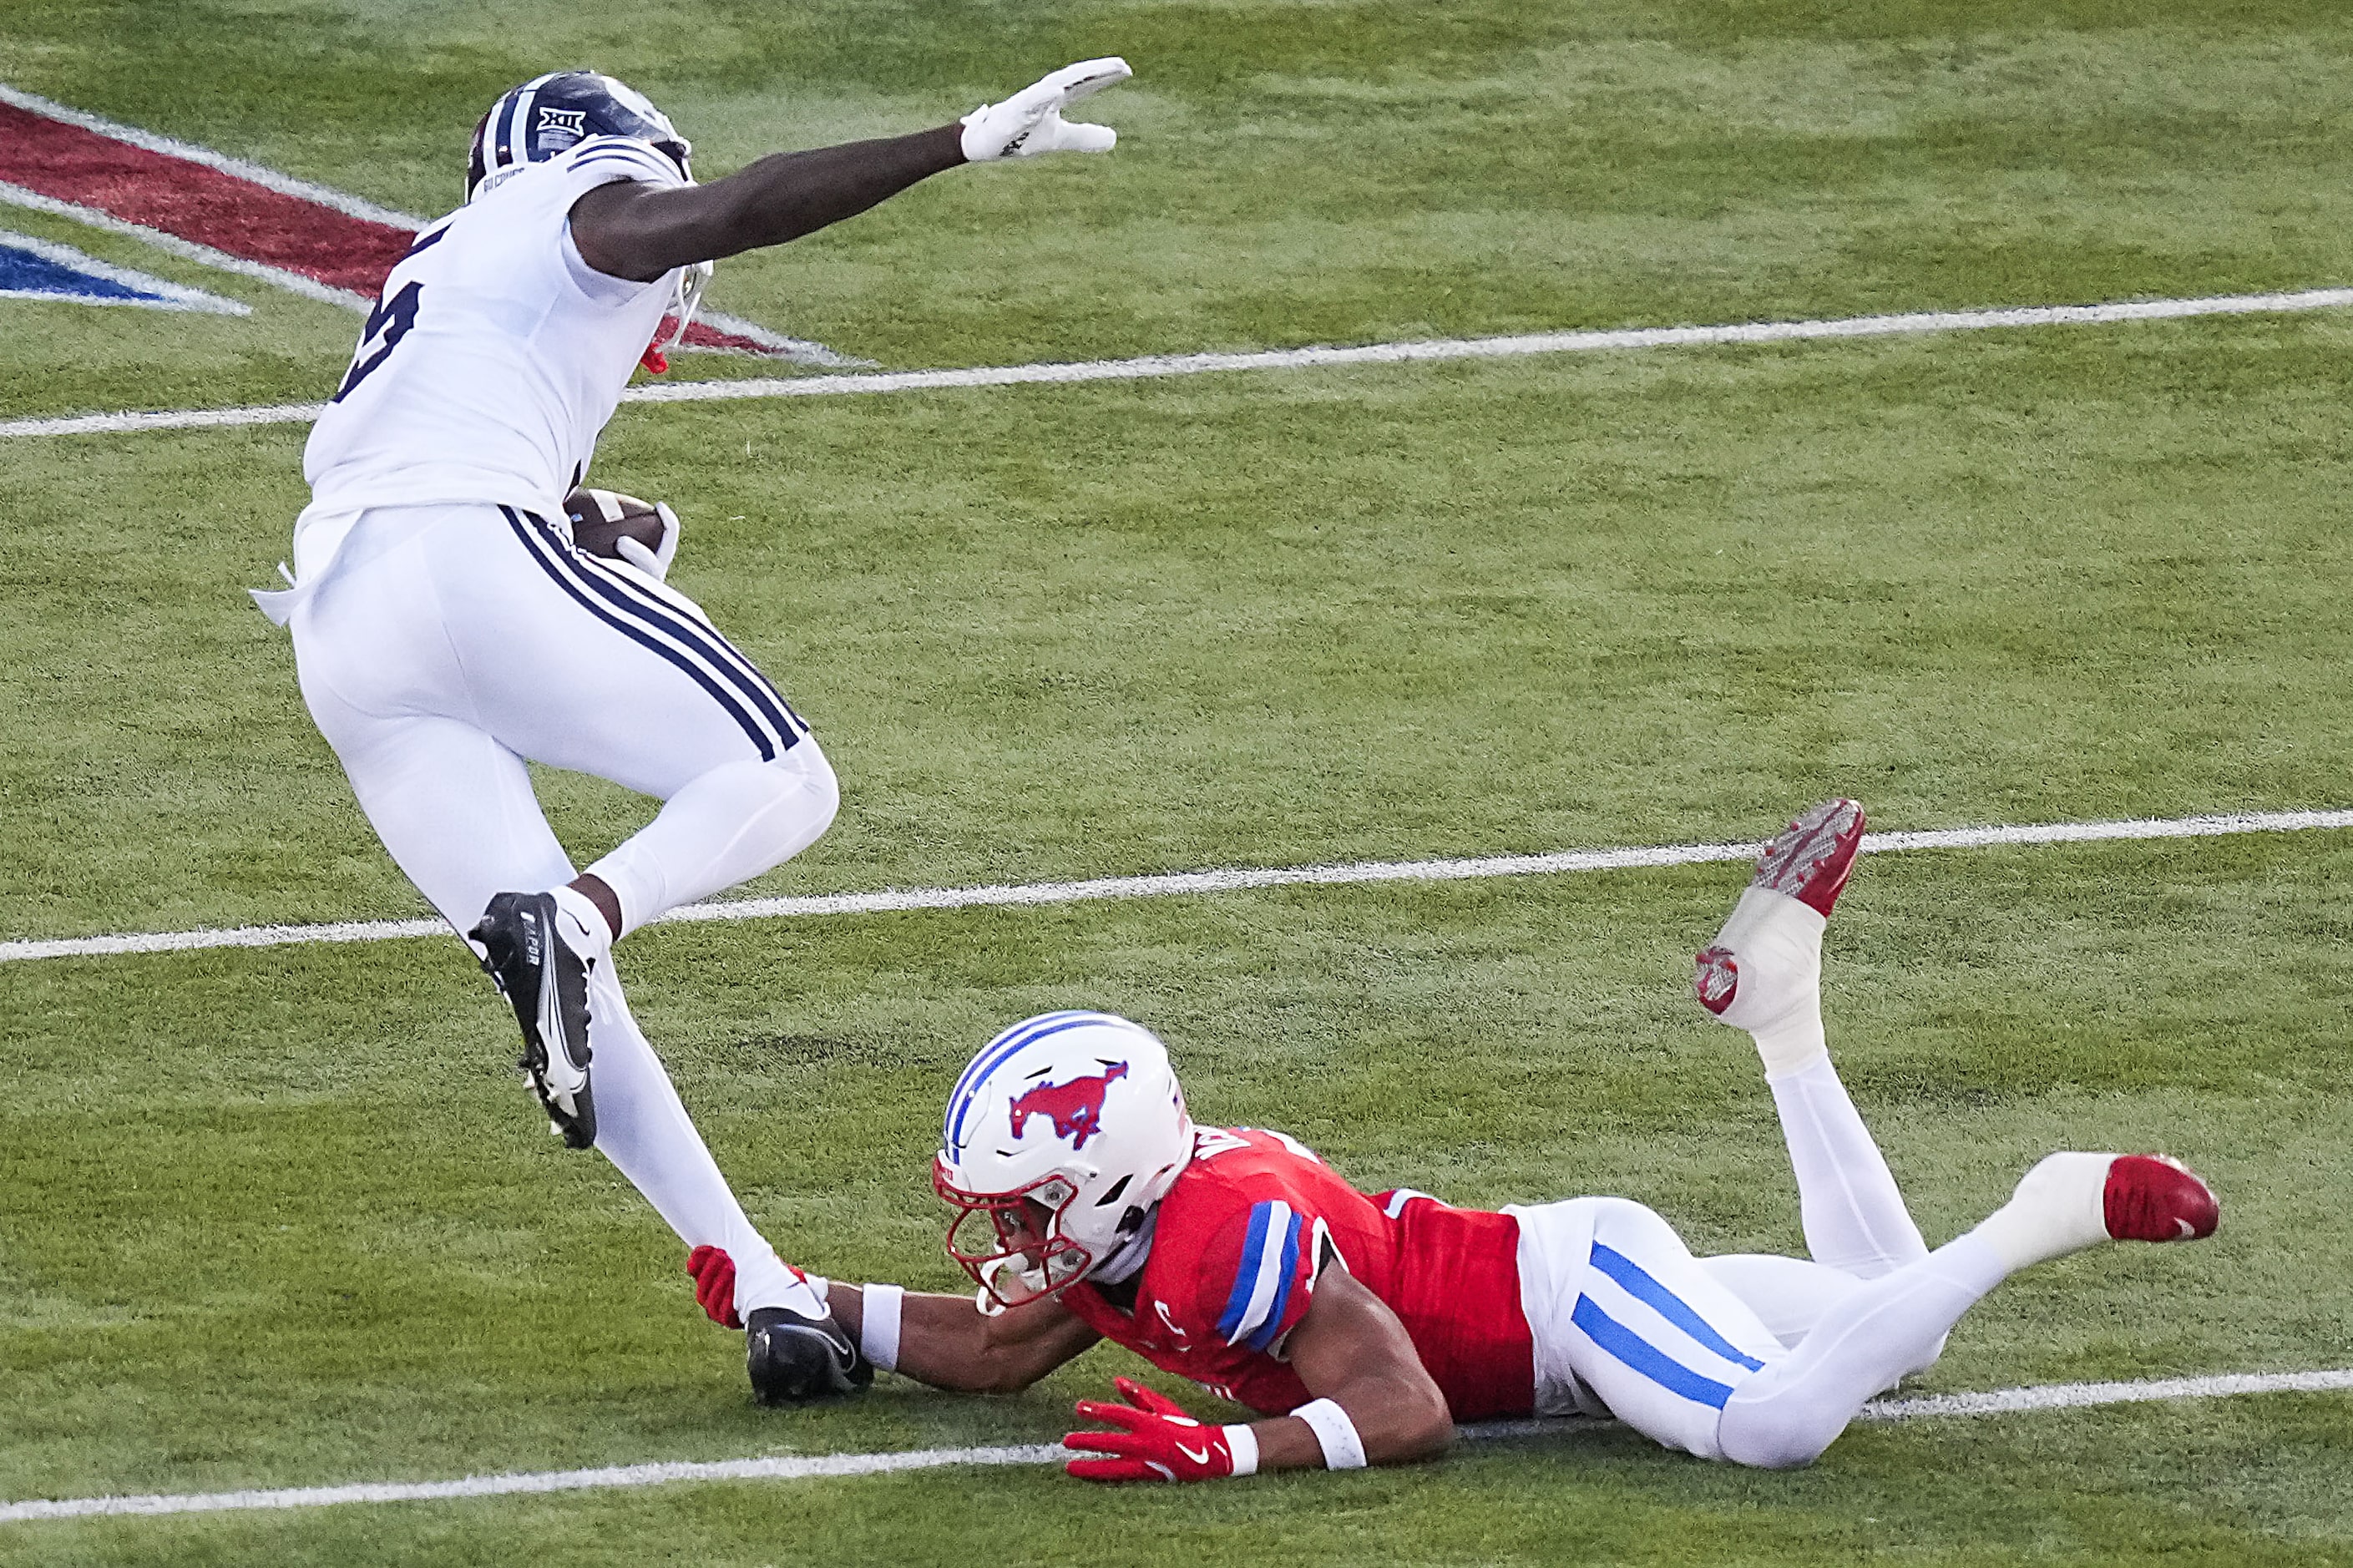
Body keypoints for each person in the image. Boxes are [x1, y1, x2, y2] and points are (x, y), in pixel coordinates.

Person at [252, 59, 1134, 1403]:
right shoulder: (577, 197)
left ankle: (768, 1287)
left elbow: (468, 444)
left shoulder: (445, 265)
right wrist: (952, 141)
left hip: (343, 622)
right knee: (780, 778)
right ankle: (590, 913)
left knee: (561, 990)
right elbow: (718, 215)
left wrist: (605, 531)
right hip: (458, 552)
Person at [709, 799, 2219, 1475]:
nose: (1013, 1238)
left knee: (1770, 1429)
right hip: (1561, 1287)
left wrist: (1229, 1451)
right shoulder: (1134, 1218)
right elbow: (991, 1350)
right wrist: (796, 1292)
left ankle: (2046, 1204)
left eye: (1027, 1205)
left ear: (1103, 1174)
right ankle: (1783, 1018)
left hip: (1564, 1299)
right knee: (1897, 1338)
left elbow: (1409, 1407)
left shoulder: (1219, 1232)